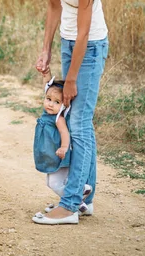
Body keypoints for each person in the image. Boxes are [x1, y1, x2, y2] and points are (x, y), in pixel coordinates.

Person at [30, 0, 109, 225]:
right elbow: (54, 7)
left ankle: (71, 203)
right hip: (67, 43)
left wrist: (72, 78)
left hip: (88, 49)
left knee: (77, 125)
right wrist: (46, 48)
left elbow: (85, 32)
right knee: (79, 122)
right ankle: (84, 199)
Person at [32, 73, 92, 225]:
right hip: (51, 155)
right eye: (48, 99)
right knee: (58, 181)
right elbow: (47, 86)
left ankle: (76, 201)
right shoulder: (47, 113)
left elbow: (65, 133)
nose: (50, 104)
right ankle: (75, 197)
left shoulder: (59, 118)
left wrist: (64, 147)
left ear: (64, 105)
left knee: (53, 183)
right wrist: (46, 73)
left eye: (56, 102)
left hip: (59, 156)